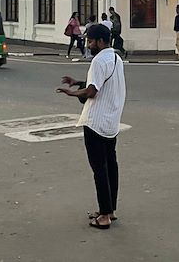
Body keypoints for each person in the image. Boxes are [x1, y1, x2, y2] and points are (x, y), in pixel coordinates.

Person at [55, 24, 126, 230]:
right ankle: (110, 210)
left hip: (95, 123)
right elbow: (101, 82)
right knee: (111, 166)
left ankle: (103, 216)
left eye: (91, 40)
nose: (88, 44)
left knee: (99, 170)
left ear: (101, 41)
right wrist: (78, 82)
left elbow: (92, 91)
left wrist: (72, 93)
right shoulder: (115, 58)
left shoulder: (98, 60)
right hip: (111, 122)